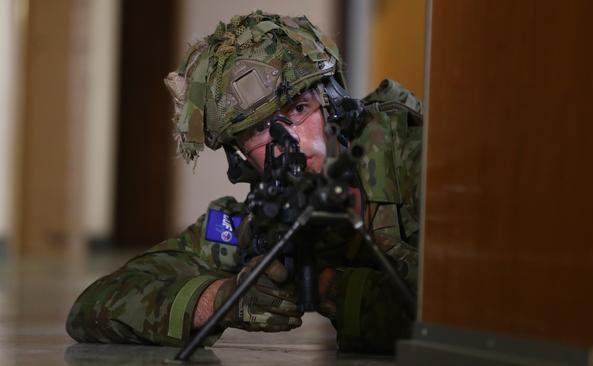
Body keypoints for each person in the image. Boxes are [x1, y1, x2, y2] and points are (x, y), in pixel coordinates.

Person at [66, 10, 422, 353]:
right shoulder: (259, 219)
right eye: (257, 130)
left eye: (298, 109)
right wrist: (219, 299)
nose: (287, 143)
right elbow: (94, 307)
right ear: (239, 154)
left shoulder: (417, 160)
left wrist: (327, 286)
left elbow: (467, 310)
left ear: (333, 103)